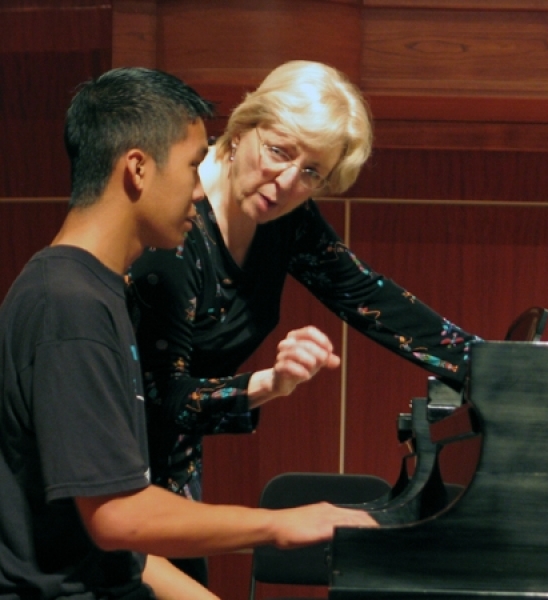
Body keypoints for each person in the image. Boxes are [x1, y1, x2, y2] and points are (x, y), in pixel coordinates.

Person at [0, 66, 376, 600]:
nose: (200, 191)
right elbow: (119, 518)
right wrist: (283, 524)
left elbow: (117, 537)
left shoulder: (97, 295)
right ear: (137, 168)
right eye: (195, 165)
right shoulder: (68, 306)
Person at [127, 59, 480, 583]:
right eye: (279, 151)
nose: (288, 181)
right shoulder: (175, 234)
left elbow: (367, 295)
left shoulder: (281, 217)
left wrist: (494, 365)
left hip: (174, 473)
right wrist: (270, 383)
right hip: (114, 479)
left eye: (312, 172)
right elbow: (166, 398)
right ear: (243, 129)